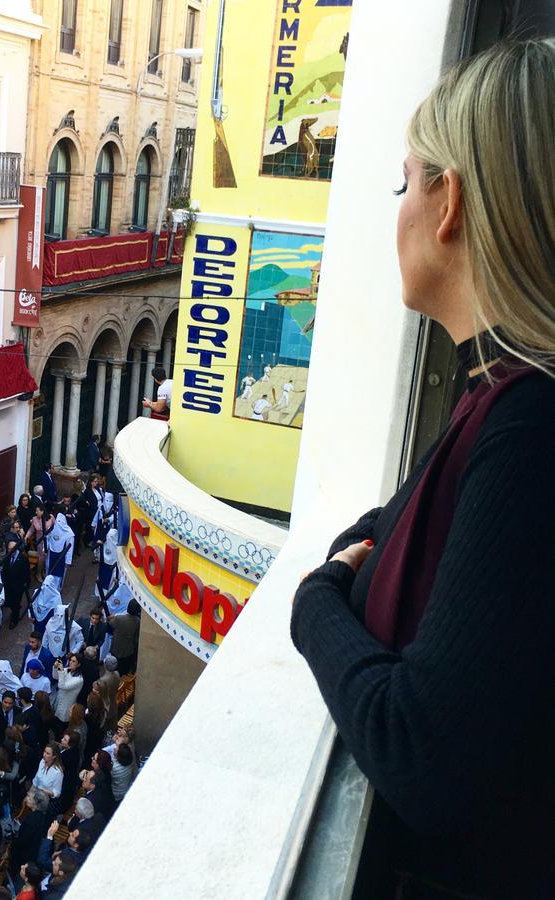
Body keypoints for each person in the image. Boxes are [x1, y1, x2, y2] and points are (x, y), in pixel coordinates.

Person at [291, 40, 554, 900]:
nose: (397, 209)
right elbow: (381, 527)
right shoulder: (496, 397)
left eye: (406, 183)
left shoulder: (527, 427)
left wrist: (315, 606)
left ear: (452, 206)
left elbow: (423, 750)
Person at [10, 787, 48, 879]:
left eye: (29, 797)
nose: (26, 798)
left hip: (23, 855)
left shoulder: (31, 819)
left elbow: (22, 840)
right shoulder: (42, 815)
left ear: (35, 803)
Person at [2, 539, 31, 629]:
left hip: (18, 586)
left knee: (16, 604)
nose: (10, 550)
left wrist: (24, 585)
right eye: (9, 548)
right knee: (9, 602)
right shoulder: (7, 557)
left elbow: (26, 573)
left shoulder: (23, 559)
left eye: (12, 549)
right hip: (8, 585)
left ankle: (14, 620)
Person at [108, 600, 141, 675]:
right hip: (128, 649)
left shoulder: (119, 618)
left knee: (115, 667)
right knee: (124, 669)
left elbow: (111, 623)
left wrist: (111, 618)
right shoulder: (137, 621)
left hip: (116, 647)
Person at [51, 654, 83, 729]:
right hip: (58, 703)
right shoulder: (67, 670)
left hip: (66, 708)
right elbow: (55, 676)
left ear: (79, 664)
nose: (70, 662)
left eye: (73, 661)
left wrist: (61, 671)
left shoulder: (79, 679)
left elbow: (62, 686)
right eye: (70, 660)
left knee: (61, 728)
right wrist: (55, 668)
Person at [44, 514, 74, 588]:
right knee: (49, 573)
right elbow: (48, 539)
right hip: (51, 555)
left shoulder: (69, 533)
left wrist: (68, 561)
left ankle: (57, 589)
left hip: (62, 557)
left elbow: (70, 549)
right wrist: (45, 549)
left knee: (59, 576)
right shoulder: (52, 529)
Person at [31, 742, 63, 810]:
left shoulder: (57, 772)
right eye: (44, 751)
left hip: (46, 801)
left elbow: (57, 793)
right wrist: (30, 793)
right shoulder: (42, 762)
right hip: (36, 795)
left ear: (54, 756)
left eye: (48, 753)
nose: (44, 755)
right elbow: (36, 779)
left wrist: (43, 790)